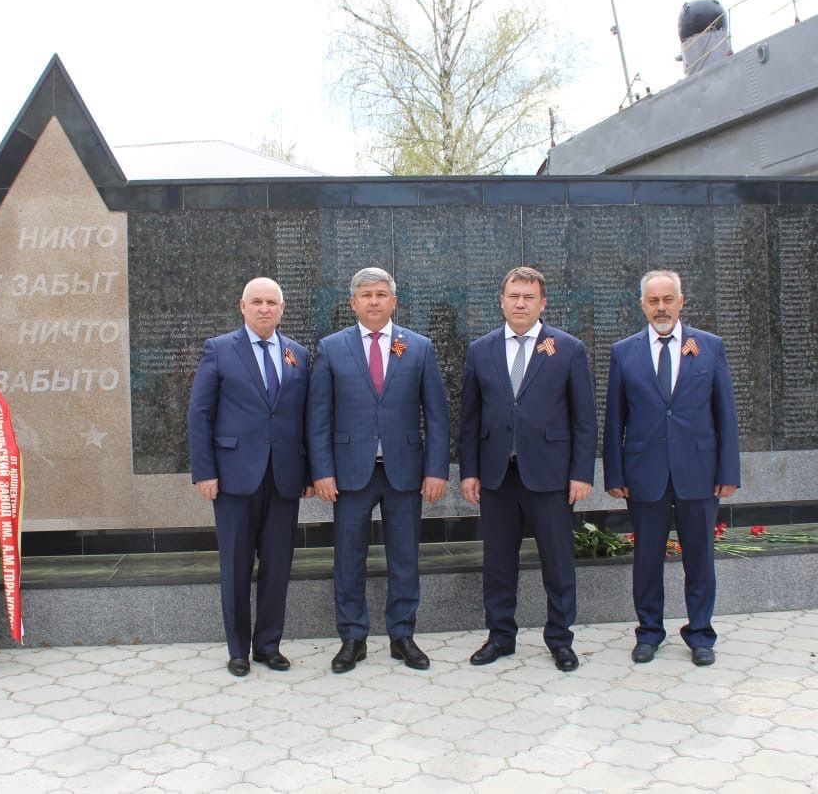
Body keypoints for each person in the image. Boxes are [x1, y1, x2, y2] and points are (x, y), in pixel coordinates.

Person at [307, 267, 449, 673]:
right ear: (352, 303)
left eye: (381, 294)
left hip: (404, 472)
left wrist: (436, 469)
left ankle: (402, 635)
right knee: (348, 558)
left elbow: (436, 415)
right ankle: (352, 637)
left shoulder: (418, 347)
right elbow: (319, 417)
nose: (374, 301)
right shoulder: (332, 348)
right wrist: (322, 471)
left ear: (394, 301)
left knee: (404, 557)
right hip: (350, 474)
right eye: (366, 294)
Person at [459, 267, 597, 672]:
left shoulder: (567, 348)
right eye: (514, 295)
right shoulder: (480, 349)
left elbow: (584, 419)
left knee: (557, 561)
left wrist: (582, 473)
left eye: (529, 297)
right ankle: (500, 636)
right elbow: (469, 418)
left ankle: (560, 638)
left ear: (543, 303)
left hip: (551, 475)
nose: (520, 303)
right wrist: (470, 471)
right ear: (501, 300)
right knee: (498, 561)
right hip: (497, 475)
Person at [603, 270, 740, 667]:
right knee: (647, 558)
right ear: (642, 305)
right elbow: (616, 418)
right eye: (653, 301)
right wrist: (615, 474)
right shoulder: (624, 351)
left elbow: (724, 414)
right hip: (644, 474)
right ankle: (649, 632)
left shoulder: (709, 347)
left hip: (698, 472)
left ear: (681, 302)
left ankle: (700, 634)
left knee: (700, 557)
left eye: (667, 299)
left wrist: (727, 471)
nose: (660, 307)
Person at [188, 277, 312, 677]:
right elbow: (199, 414)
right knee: (237, 567)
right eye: (256, 302)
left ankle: (268, 645)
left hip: (284, 479)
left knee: (277, 567)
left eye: (271, 302)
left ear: (282, 308)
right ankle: (238, 650)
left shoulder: (298, 354)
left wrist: (308, 472)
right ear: (242, 306)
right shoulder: (220, 350)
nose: (264, 309)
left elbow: (305, 418)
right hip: (234, 479)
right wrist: (205, 471)